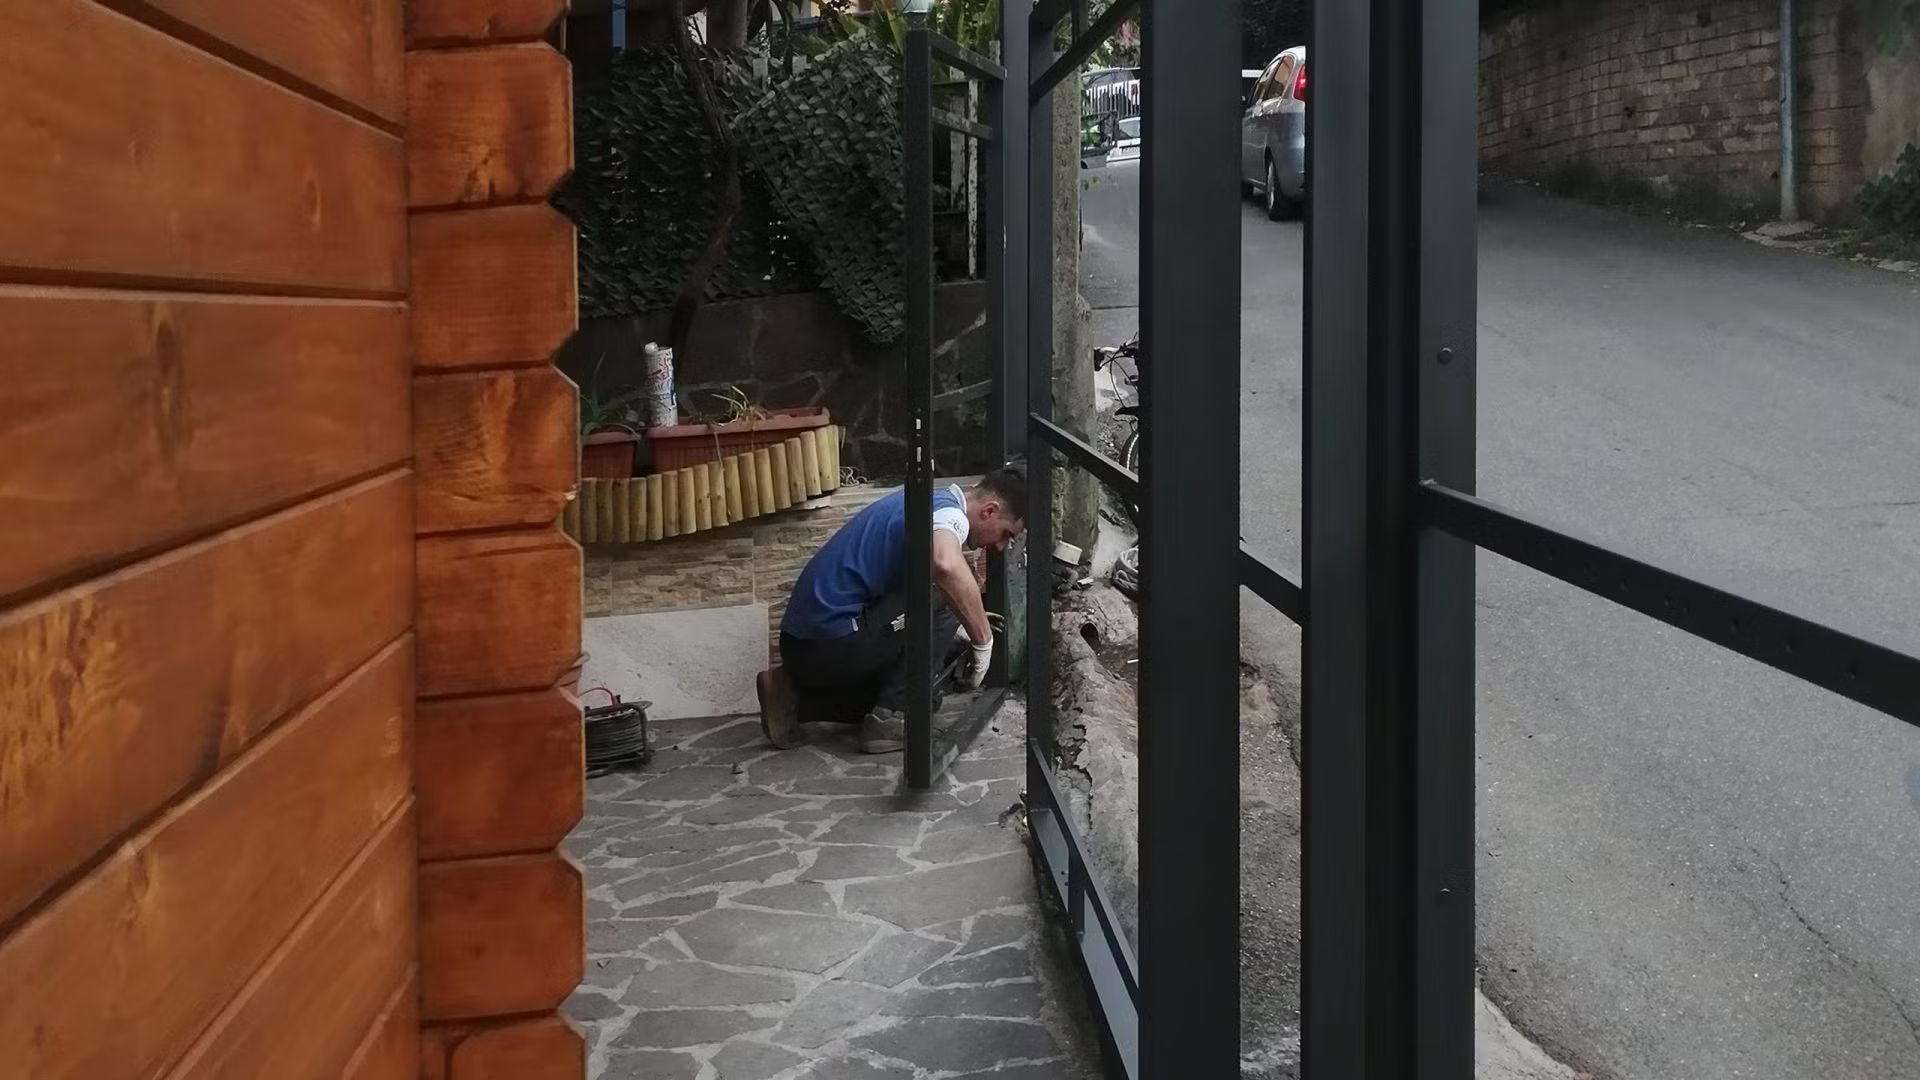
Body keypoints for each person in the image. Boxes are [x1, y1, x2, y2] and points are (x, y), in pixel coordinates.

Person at [756, 464, 1028, 753]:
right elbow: (946, 566)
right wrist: (982, 639)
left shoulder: (925, 501)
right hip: (830, 643)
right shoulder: (949, 515)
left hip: (806, 647)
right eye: (1006, 534)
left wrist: (957, 627)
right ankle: (889, 720)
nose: (999, 546)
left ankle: (794, 698)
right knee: (940, 596)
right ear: (989, 510)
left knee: (925, 700)